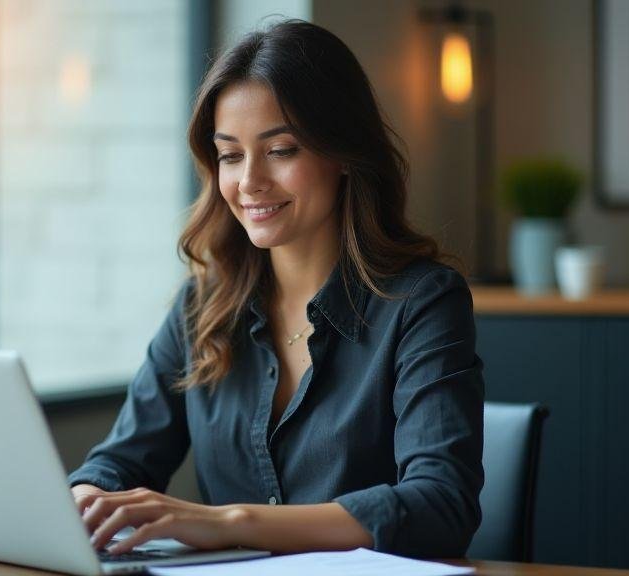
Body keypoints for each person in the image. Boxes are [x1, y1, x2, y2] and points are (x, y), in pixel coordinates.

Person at [68, 19, 484, 559]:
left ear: (343, 154)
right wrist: (85, 500)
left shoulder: (423, 302)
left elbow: (441, 505)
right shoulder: (203, 307)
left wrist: (231, 522)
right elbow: (118, 463)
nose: (249, 182)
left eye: (281, 150)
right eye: (230, 155)